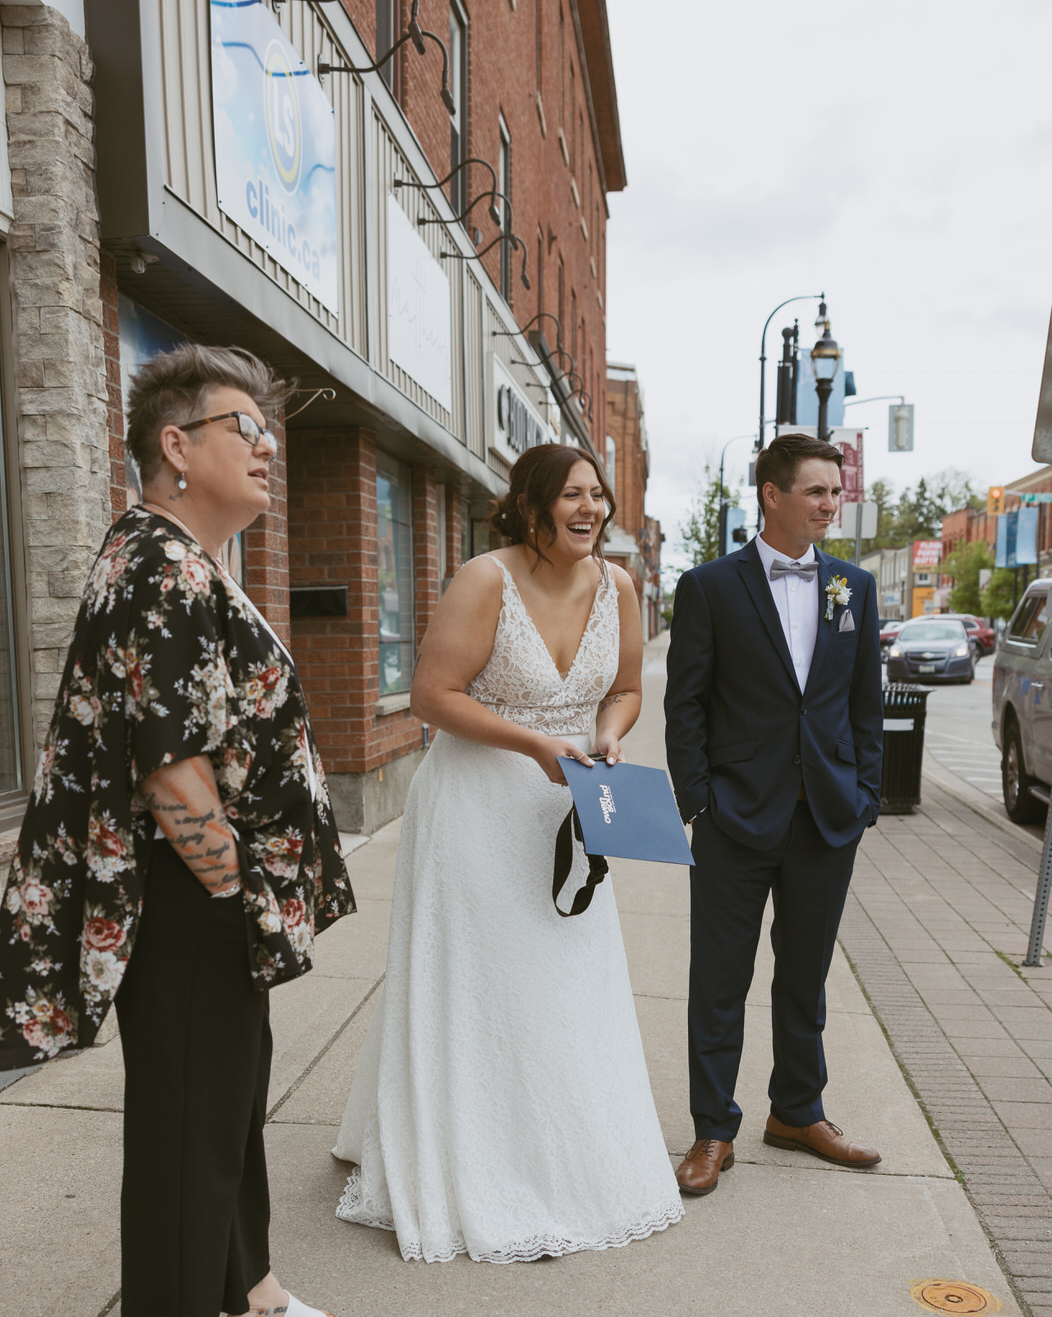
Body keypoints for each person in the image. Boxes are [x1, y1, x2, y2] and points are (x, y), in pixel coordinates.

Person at [0, 345, 356, 1317]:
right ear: (174, 446)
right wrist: (241, 887)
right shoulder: (153, 564)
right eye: (242, 425)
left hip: (200, 895)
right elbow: (169, 765)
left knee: (230, 1093)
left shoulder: (186, 561)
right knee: (188, 1112)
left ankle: (242, 1291)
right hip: (179, 893)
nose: (264, 446)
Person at [334, 444, 683, 1261]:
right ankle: (472, 1159)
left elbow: (626, 688)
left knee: (564, 979)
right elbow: (432, 695)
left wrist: (603, 733)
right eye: (571, 495)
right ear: (529, 505)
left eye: (597, 495)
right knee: (483, 980)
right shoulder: (483, 579)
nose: (589, 509)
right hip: (478, 805)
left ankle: (564, 1159)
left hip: (571, 802)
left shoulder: (619, 586)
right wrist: (535, 746)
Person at [664, 432, 884, 1196]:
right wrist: (699, 802)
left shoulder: (852, 586)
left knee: (804, 978)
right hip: (733, 819)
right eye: (818, 491)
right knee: (719, 981)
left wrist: (864, 799)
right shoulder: (710, 587)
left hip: (825, 818)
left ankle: (796, 1111)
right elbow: (684, 704)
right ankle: (711, 1130)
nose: (832, 504)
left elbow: (862, 705)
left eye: (836, 491)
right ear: (773, 495)